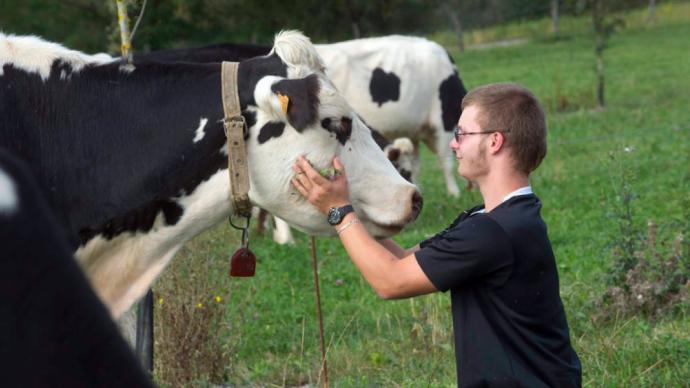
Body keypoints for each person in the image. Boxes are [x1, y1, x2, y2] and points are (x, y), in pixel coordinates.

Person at [291, 82, 582, 387]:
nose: (453, 144)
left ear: (495, 141)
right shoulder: (492, 218)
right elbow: (403, 260)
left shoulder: (491, 232)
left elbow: (391, 281)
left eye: (462, 134)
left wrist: (339, 211)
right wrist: (349, 208)